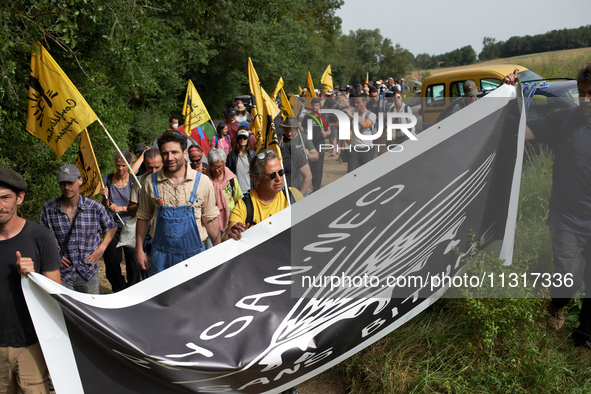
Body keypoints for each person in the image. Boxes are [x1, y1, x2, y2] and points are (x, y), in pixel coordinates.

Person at [505, 65, 591, 355]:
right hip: (566, 219)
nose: (585, 100)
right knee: (569, 278)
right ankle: (557, 305)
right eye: (581, 93)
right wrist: (508, 96)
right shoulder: (565, 119)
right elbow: (522, 131)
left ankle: (583, 339)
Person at [0, 167, 61, 394]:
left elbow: (56, 292)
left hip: (32, 343)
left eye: (5, 198)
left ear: (20, 198)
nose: (0, 206)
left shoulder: (41, 237)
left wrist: (33, 277)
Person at [136, 131, 220, 275]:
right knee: (162, 297)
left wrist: (219, 251)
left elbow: (210, 219)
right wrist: (139, 250)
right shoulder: (150, 182)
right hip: (160, 257)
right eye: (165, 153)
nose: (170, 158)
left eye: (174, 152)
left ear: (184, 153)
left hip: (194, 256)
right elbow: (143, 217)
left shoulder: (203, 182)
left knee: (194, 296)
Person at [40, 164, 117, 294]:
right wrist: (55, 254)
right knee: (63, 312)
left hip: (88, 272)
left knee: (91, 310)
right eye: (62, 183)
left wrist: (101, 249)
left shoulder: (95, 207)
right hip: (61, 273)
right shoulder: (49, 208)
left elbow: (111, 227)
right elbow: (41, 237)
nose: (66, 187)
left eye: (70, 182)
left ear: (80, 180)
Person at [225, 150, 303, 241]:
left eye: (281, 172)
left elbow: (311, 224)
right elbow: (226, 241)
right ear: (256, 178)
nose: (278, 179)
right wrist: (232, 235)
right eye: (272, 175)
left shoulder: (293, 195)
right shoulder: (243, 206)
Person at [100, 151, 141, 292]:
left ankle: (133, 287)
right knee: (111, 260)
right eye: (118, 165)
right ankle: (119, 288)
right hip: (112, 225)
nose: (120, 168)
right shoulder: (107, 179)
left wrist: (122, 208)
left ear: (129, 164)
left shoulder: (134, 181)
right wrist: (104, 197)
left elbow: (139, 205)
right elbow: (105, 205)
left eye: (123, 165)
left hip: (130, 224)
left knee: (132, 259)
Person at [127, 149, 163, 279]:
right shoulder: (139, 182)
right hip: (147, 235)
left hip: (165, 234)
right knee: (148, 274)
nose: (153, 172)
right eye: (149, 168)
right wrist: (144, 205)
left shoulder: (169, 181)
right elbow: (130, 210)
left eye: (157, 167)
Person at [205, 148, 242, 237]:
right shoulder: (204, 180)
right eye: (214, 166)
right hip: (210, 222)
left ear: (224, 164)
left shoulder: (231, 180)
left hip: (230, 221)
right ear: (209, 165)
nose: (217, 170)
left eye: (220, 166)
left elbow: (238, 200)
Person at [344, 93, 377, 172]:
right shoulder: (354, 114)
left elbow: (365, 124)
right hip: (354, 148)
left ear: (365, 102)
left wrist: (351, 116)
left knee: (365, 173)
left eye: (358, 102)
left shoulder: (371, 115)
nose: (356, 104)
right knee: (351, 173)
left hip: (366, 149)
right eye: (355, 102)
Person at [302, 98, 329, 192]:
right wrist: (298, 126)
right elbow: (303, 130)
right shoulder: (307, 117)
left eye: (316, 105)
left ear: (319, 106)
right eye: (313, 105)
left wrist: (325, 133)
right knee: (310, 165)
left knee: (318, 166)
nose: (315, 107)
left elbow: (329, 130)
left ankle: (317, 187)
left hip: (320, 143)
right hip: (309, 144)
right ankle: (309, 186)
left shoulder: (324, 117)